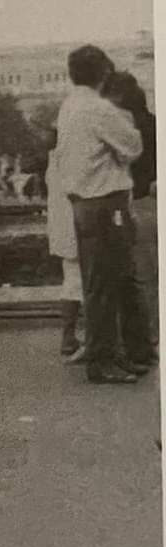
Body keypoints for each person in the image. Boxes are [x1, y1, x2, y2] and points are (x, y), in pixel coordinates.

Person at [55, 44, 150, 385]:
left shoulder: (69, 106)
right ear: (104, 72)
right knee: (111, 282)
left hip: (84, 202)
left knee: (99, 281)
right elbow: (133, 147)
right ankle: (104, 359)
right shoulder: (100, 109)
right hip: (106, 202)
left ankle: (109, 353)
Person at [103, 70, 158, 352]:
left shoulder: (125, 130)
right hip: (151, 200)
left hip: (135, 202)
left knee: (142, 274)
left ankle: (150, 335)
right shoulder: (154, 123)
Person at [46, 129, 84, 362]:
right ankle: (77, 338)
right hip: (78, 226)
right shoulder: (71, 158)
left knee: (71, 281)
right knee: (83, 283)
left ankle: (69, 337)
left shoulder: (54, 159)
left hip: (63, 229)